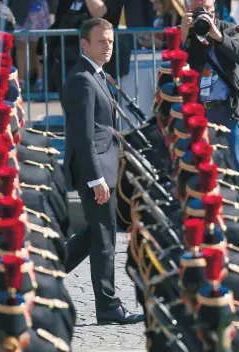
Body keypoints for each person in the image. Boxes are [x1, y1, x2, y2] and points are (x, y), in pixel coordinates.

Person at [62, 18, 144, 325]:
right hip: (94, 173)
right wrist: (96, 179)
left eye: (110, 41)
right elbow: (84, 136)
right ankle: (109, 307)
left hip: (105, 168)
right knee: (105, 239)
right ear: (84, 44)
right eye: (101, 41)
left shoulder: (96, 74)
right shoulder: (82, 79)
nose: (107, 46)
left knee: (97, 234)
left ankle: (49, 271)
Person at [181, 0, 239, 181]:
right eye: (197, 9)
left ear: (214, 6)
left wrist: (218, 36)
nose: (203, 13)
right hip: (199, 112)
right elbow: (173, 63)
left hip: (228, 109)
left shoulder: (229, 29)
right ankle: (207, 208)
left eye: (206, 9)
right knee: (200, 168)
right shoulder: (187, 32)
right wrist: (183, 34)